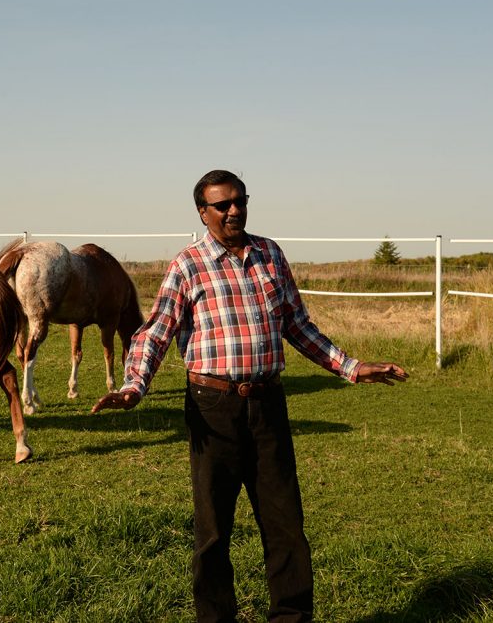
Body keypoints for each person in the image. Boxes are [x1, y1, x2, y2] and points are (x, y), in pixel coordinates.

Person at [92, 169, 407, 623]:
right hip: (212, 408)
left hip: (267, 406)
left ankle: (292, 617)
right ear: (204, 213)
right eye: (222, 205)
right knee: (214, 532)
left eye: (240, 201)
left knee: (286, 528)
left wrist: (352, 367)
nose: (234, 210)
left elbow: (297, 325)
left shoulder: (269, 254)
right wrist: (133, 386)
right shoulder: (188, 264)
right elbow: (156, 332)